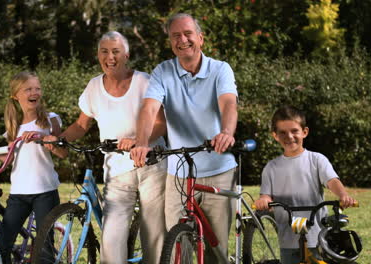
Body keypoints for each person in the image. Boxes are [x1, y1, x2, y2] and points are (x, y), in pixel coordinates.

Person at [44, 31, 167, 264]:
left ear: (126, 55)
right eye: (104, 51)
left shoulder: (144, 81)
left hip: (151, 165)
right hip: (117, 170)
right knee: (111, 237)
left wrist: (138, 140)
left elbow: (161, 124)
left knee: (153, 233)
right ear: (98, 55)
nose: (110, 57)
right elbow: (81, 125)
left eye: (115, 51)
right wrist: (59, 138)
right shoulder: (94, 87)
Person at [130, 13, 238, 263]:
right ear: (170, 42)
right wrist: (142, 141)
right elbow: (149, 109)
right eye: (175, 35)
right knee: (177, 243)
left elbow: (229, 104)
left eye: (188, 34)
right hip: (178, 171)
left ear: (200, 38)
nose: (183, 40)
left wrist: (226, 133)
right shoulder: (163, 71)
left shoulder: (220, 69)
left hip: (218, 168)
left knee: (216, 249)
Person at [0, 71, 65, 264]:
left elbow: (63, 152)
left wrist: (43, 138)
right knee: (2, 245)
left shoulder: (50, 119)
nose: (34, 92)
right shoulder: (14, 126)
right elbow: (8, 158)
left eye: (37, 88)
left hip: (45, 191)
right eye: (28, 89)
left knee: (44, 250)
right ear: (16, 95)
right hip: (19, 193)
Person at [254, 105, 357, 264]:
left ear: (304, 132)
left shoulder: (316, 160)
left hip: (317, 235)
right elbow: (266, 195)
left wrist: (342, 195)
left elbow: (332, 181)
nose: (289, 136)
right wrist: (264, 201)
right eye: (282, 132)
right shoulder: (271, 168)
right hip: (288, 238)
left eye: (294, 131)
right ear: (275, 135)